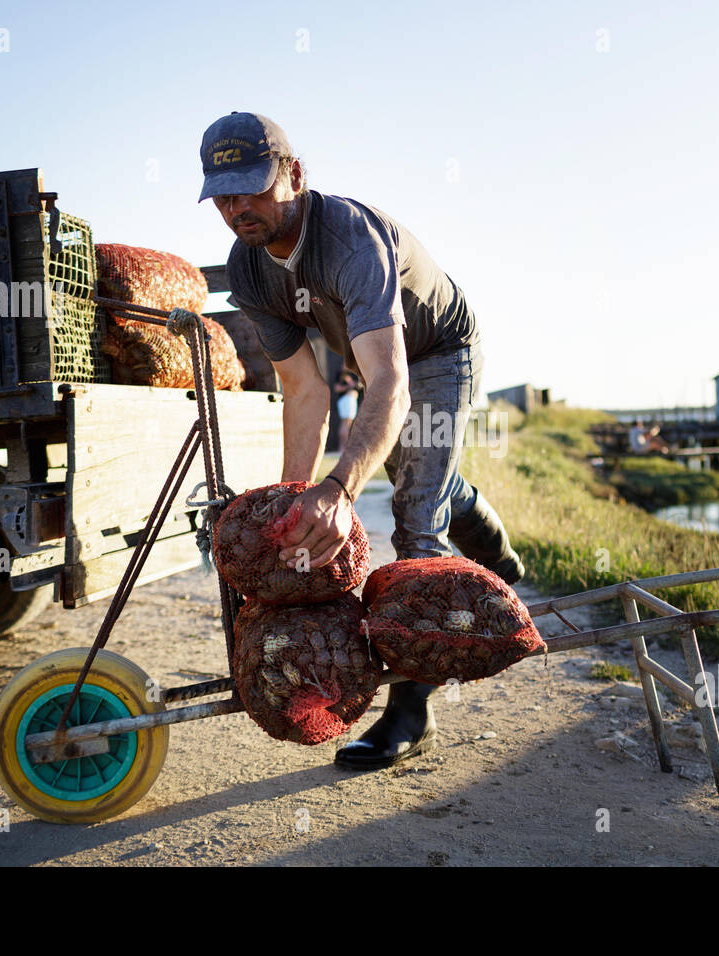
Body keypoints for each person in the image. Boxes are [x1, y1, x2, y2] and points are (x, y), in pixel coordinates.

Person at [198, 111, 524, 770]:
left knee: (415, 512)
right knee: (424, 478)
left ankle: (411, 713)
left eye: (251, 188)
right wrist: (298, 506)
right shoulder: (250, 267)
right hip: (377, 360)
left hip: (436, 351)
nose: (236, 208)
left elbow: (390, 382)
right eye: (222, 195)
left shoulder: (349, 239)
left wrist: (339, 489)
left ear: (293, 174)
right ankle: (493, 543)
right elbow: (305, 391)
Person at [333, 371, 360, 451]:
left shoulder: (355, 374)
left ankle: (343, 447)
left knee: (347, 424)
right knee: (345, 424)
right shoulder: (342, 374)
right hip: (347, 400)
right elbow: (337, 388)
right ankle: (343, 447)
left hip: (351, 400)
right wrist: (349, 385)